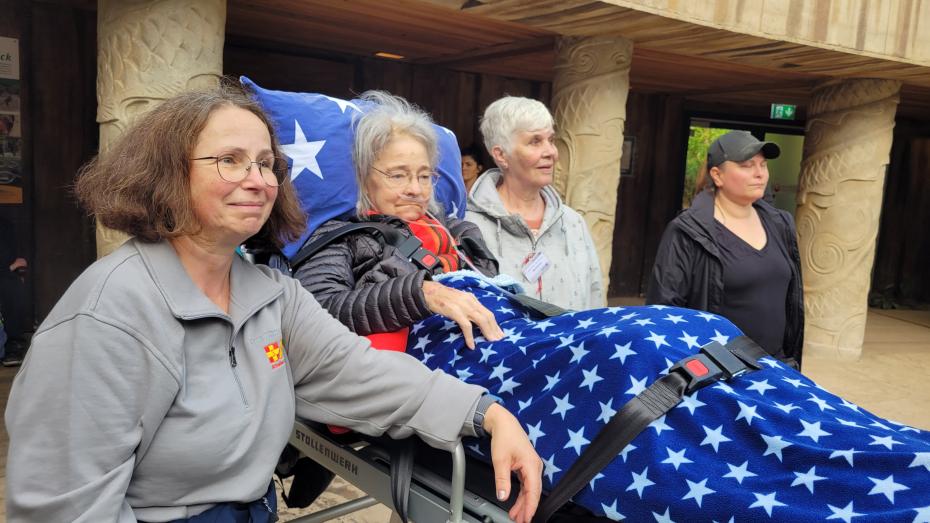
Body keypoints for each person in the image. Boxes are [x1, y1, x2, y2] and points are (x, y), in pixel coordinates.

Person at [292, 92, 930, 522]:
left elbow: (506, 297)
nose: (413, 188)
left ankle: (880, 452)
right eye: (395, 174)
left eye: (423, 174)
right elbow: (319, 311)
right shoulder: (342, 240)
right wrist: (421, 291)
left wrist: (463, 276)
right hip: (459, 360)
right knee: (648, 355)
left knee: (701, 333)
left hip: (517, 332)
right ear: (363, 177)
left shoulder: (459, 234)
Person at [3, 83, 542, 523]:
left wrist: (485, 413)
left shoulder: (271, 292)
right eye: (231, 160)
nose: (257, 180)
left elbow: (360, 372)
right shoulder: (108, 313)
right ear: (167, 173)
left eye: (266, 164)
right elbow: (64, 507)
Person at [646, 130, 804, 365]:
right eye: (747, 165)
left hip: (776, 369)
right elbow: (664, 312)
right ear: (717, 175)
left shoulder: (781, 224)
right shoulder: (688, 231)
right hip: (719, 373)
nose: (760, 174)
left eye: (763, 165)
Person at [466, 96, 604, 311]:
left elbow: (595, 296)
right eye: (535, 141)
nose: (550, 152)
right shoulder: (469, 226)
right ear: (501, 155)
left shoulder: (572, 222)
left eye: (551, 140)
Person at [0, 215, 30, 365]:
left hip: (5, 276)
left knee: (11, 287)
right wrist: (11, 267)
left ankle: (14, 346)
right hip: (5, 271)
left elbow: (18, 259)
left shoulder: (5, 225)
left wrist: (14, 269)